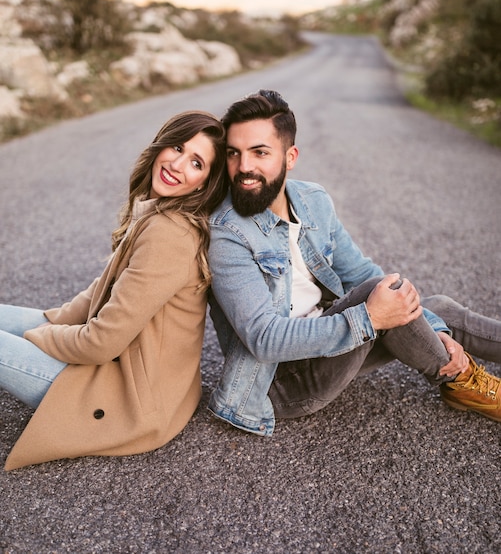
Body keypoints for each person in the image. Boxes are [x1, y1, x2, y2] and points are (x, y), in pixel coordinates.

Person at [207, 89, 501, 437]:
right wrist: (370, 317)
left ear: (290, 157)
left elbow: (361, 272)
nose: (244, 167)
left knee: (437, 308)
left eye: (260, 153)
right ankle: (462, 380)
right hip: (282, 382)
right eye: (233, 154)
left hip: (329, 344)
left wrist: (435, 328)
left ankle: (448, 354)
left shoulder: (312, 200)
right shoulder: (226, 233)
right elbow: (264, 339)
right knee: (381, 297)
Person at [0, 110, 227, 471]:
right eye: (178, 147)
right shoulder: (157, 214)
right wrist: (50, 321)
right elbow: (95, 295)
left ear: (204, 183)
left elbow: (100, 343)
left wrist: (36, 336)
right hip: (134, 376)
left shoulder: (170, 234)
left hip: (130, 397)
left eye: (196, 162)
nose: (178, 164)